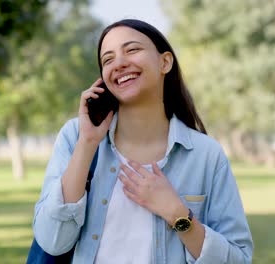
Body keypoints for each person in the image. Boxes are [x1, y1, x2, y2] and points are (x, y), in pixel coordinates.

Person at [32, 19, 253, 263]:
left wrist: (178, 214)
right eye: (108, 59)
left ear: (165, 62)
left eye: (132, 50)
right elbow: (52, 241)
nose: (119, 63)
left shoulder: (206, 155)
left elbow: (238, 259)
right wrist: (87, 143)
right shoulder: (76, 137)